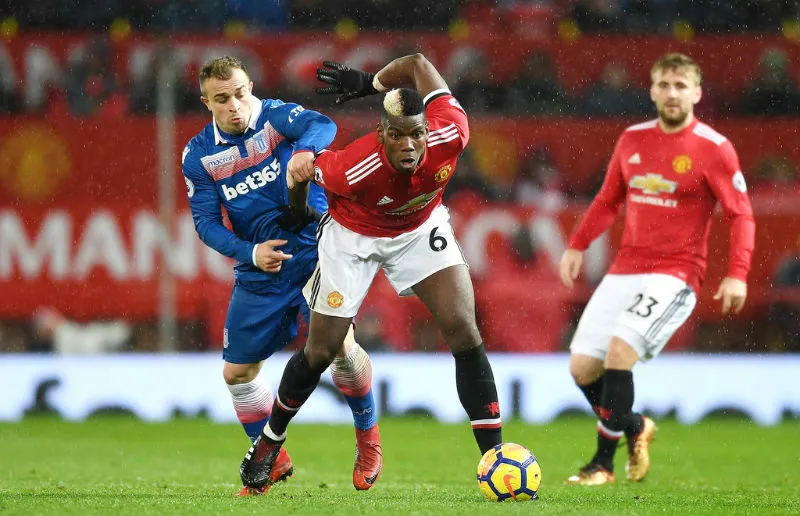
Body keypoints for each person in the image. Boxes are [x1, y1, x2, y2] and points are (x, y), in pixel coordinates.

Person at [239, 53, 504, 492]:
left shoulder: (453, 130)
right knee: (322, 350)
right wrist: (298, 210)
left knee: (463, 329)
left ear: (427, 131)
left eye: (416, 135)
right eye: (397, 136)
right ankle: (270, 441)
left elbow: (418, 62)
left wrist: (371, 82)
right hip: (353, 238)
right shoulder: (352, 166)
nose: (409, 147)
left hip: (420, 228)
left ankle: (496, 461)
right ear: (382, 133)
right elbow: (299, 169)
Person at [181, 55, 380, 496]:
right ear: (206, 102)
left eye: (239, 93)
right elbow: (206, 222)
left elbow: (323, 124)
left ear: (250, 85)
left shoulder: (274, 116)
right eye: (221, 99)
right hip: (262, 266)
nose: (234, 105)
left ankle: (368, 437)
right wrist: (249, 252)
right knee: (237, 372)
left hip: (316, 248)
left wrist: (306, 152)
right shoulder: (198, 156)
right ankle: (271, 456)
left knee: (339, 348)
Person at [559, 53, 755, 485]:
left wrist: (737, 272)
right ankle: (635, 426)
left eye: (681, 86)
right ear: (651, 90)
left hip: (676, 274)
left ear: (697, 93)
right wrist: (577, 244)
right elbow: (609, 198)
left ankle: (602, 465)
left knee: (618, 354)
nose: (671, 93)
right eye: (664, 84)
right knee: (582, 369)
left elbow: (741, 215)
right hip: (626, 267)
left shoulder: (715, 148)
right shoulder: (632, 139)